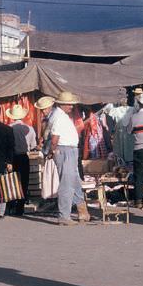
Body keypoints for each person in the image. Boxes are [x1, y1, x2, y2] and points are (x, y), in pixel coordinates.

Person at [47, 92, 90, 225]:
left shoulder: (61, 115)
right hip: (65, 150)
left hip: (69, 150)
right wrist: (52, 151)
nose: (71, 106)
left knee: (74, 181)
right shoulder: (59, 117)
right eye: (69, 104)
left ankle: (82, 211)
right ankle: (64, 216)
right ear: (62, 104)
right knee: (67, 184)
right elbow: (54, 138)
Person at [7, 104, 37, 216]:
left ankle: (11, 205)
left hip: (12, 157)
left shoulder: (8, 128)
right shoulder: (30, 129)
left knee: (12, 181)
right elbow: (33, 145)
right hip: (24, 157)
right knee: (24, 182)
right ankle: (20, 208)